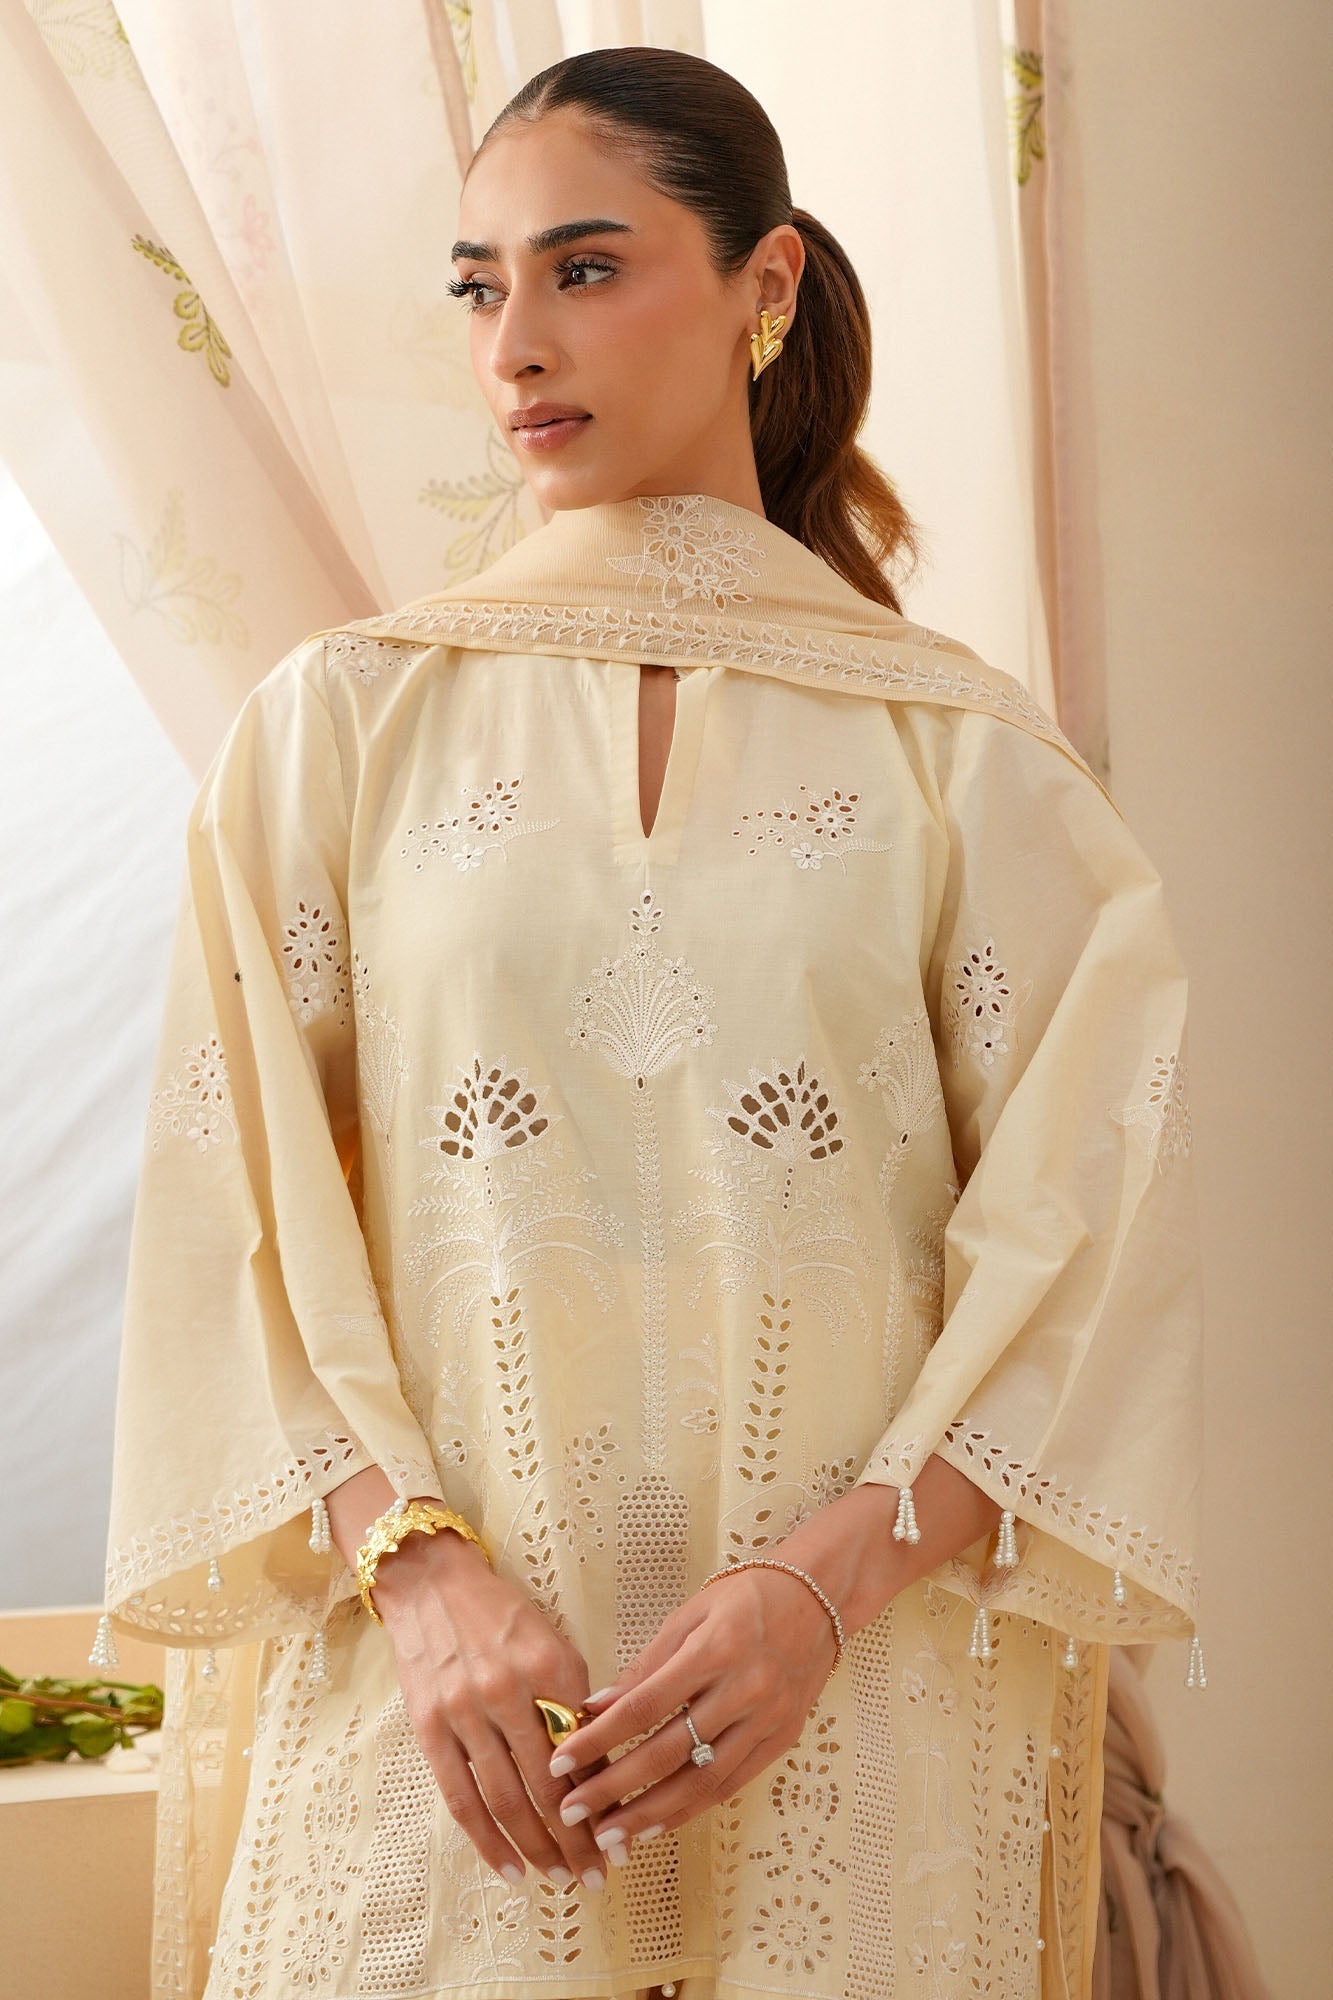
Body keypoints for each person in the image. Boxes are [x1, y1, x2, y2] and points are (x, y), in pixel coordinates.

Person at [96, 45, 1205, 2000]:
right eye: (478, 286)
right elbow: (236, 1218)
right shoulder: (338, 724)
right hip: (447, 1728)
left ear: (764, 286)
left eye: (585, 269)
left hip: (857, 1716)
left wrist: (824, 1587)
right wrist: (420, 1579)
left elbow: (1084, 1250)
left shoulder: (963, 757)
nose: (514, 343)